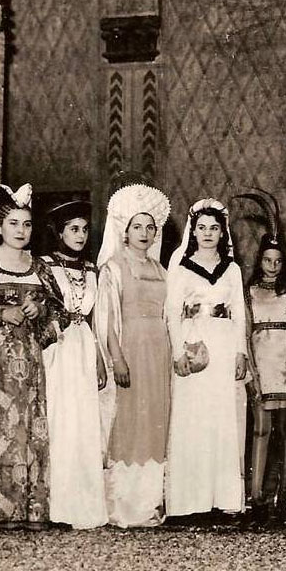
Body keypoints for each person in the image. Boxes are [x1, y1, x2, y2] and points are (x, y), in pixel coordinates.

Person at [0, 183, 61, 528]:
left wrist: (40, 310)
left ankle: (30, 508)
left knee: (29, 426)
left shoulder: (39, 266)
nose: (21, 230)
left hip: (30, 359)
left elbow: (59, 310)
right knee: (0, 427)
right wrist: (0, 313)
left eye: (26, 224)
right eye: (13, 223)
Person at [94, 183, 173, 527]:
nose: (143, 233)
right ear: (124, 230)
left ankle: (152, 502)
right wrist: (117, 359)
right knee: (129, 420)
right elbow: (107, 318)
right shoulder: (113, 268)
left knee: (156, 419)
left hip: (160, 351)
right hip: (131, 349)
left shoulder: (162, 270)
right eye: (136, 226)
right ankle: (125, 505)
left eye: (149, 227)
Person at [164, 198, 247, 517]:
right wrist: (177, 352)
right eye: (202, 228)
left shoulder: (232, 269)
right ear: (194, 231)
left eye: (214, 228)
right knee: (193, 416)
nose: (208, 233)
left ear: (223, 232)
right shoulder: (182, 267)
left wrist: (240, 351)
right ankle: (190, 500)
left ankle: (223, 497)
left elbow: (239, 312)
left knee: (222, 416)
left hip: (224, 343)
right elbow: (172, 313)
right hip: (194, 342)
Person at [234, 189, 286, 521]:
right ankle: (257, 497)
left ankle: (284, 495)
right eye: (267, 261)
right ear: (260, 261)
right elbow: (244, 333)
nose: (272, 267)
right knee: (261, 430)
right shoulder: (248, 293)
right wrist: (250, 371)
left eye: (278, 262)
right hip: (261, 369)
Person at [40, 200, 108, 529]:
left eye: (84, 229)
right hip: (59, 347)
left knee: (84, 421)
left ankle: (84, 504)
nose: (80, 235)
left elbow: (94, 318)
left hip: (84, 346)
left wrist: (99, 358)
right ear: (60, 232)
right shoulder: (45, 266)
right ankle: (57, 506)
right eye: (73, 229)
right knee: (60, 419)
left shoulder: (92, 269)